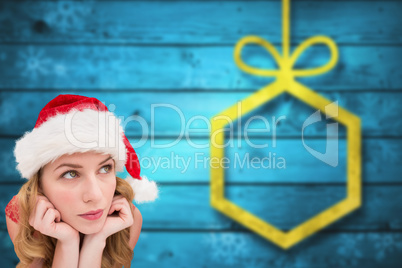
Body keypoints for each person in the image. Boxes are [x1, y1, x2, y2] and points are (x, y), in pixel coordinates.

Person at [5, 94, 159, 268]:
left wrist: (96, 241)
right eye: (71, 174)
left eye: (105, 168)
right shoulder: (22, 215)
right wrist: (67, 243)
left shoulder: (126, 219)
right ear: (40, 183)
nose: (95, 195)